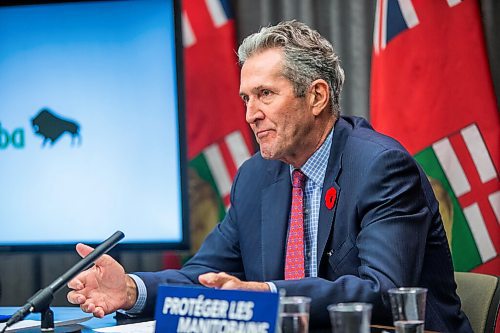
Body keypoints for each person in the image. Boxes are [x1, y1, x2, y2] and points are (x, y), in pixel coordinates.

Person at [67, 20, 472, 332]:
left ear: (316, 96)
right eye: (246, 98)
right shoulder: (256, 177)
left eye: (265, 94)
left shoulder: (381, 167)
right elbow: (203, 275)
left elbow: (383, 293)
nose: (250, 114)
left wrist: (268, 295)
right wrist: (131, 290)